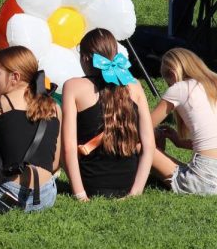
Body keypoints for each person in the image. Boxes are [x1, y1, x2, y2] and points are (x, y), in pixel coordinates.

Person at [0, 46, 61, 213]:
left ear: (14, 77)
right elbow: (54, 162)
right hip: (46, 196)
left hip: (8, 197)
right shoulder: (54, 106)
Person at [61, 29, 155, 199]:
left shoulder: (73, 87)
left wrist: (80, 195)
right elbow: (149, 146)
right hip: (128, 182)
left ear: (85, 58)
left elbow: (67, 148)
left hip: (90, 184)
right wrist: (135, 193)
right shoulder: (134, 85)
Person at [148, 48, 217, 195]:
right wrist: (179, 142)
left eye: (168, 83)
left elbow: (144, 127)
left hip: (203, 179)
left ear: (174, 75)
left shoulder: (180, 88)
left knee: (138, 145)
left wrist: (155, 135)